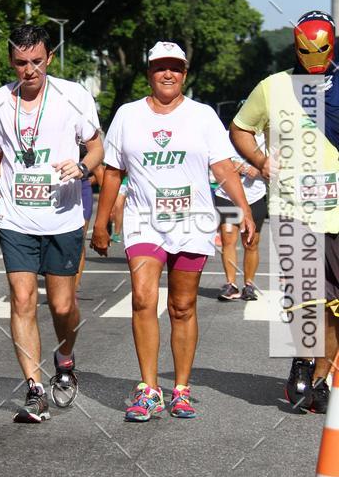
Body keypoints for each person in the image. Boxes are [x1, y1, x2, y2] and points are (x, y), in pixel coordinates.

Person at [91, 41, 255, 422]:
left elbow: (224, 168)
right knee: (143, 299)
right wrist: (100, 224)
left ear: (185, 73)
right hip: (144, 220)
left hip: (192, 221)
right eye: (161, 67)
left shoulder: (202, 116)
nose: (168, 74)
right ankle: (149, 388)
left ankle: (180, 388)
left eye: (176, 68)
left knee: (182, 306)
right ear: (149, 72)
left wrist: (243, 210)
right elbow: (113, 172)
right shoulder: (128, 116)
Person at [0, 24, 103, 423]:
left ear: (49, 58)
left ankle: (64, 359)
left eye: (36, 61)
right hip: (15, 216)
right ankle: (34, 388)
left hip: (63, 215)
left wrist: (82, 167)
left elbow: (97, 146)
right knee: (22, 299)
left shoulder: (74, 96)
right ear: (11, 61)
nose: (29, 70)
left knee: (64, 305)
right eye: (20, 63)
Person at [230, 11, 339, 414]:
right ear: (294, 47)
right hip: (295, 210)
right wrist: (260, 159)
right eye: (306, 50)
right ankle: (302, 360)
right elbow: (240, 127)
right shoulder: (273, 87)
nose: (314, 57)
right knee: (304, 299)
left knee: (335, 307)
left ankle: (322, 377)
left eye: (323, 50)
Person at [214, 131, 267, 301]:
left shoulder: (265, 138)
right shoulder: (225, 136)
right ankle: (231, 284)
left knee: (250, 243)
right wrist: (244, 167)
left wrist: (258, 170)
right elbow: (218, 162)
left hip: (255, 196)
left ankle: (249, 285)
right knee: (228, 239)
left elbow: (273, 166)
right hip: (227, 195)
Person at [75, 141, 104, 291]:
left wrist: (106, 211)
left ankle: (73, 288)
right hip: (56, 191)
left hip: (81, 190)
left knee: (78, 239)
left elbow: (100, 172)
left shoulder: (84, 143)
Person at [109, 176, 128, 243]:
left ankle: (117, 234)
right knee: (111, 212)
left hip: (123, 182)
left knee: (118, 206)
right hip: (110, 181)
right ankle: (109, 223)